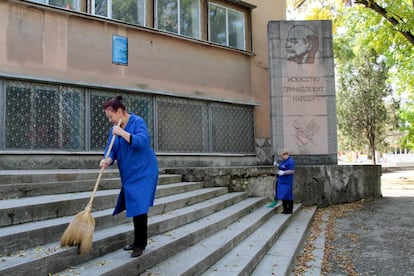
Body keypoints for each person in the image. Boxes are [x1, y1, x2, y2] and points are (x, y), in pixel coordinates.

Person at [99, 95, 158, 258]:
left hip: (144, 170)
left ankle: (140, 244)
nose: (110, 120)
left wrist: (122, 132)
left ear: (119, 111)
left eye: (111, 116)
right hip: (130, 173)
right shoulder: (115, 129)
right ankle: (137, 240)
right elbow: (112, 149)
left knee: (139, 205)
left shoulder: (137, 122)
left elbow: (142, 142)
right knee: (134, 204)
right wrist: (107, 159)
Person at [267, 149, 295, 214]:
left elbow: (292, 170)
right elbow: (281, 166)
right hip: (281, 180)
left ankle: (290, 210)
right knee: (282, 195)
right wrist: (277, 165)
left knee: (288, 195)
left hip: (287, 181)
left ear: (285, 154)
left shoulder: (291, 161)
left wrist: (283, 172)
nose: (281, 157)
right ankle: (285, 209)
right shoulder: (284, 161)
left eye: (282, 156)